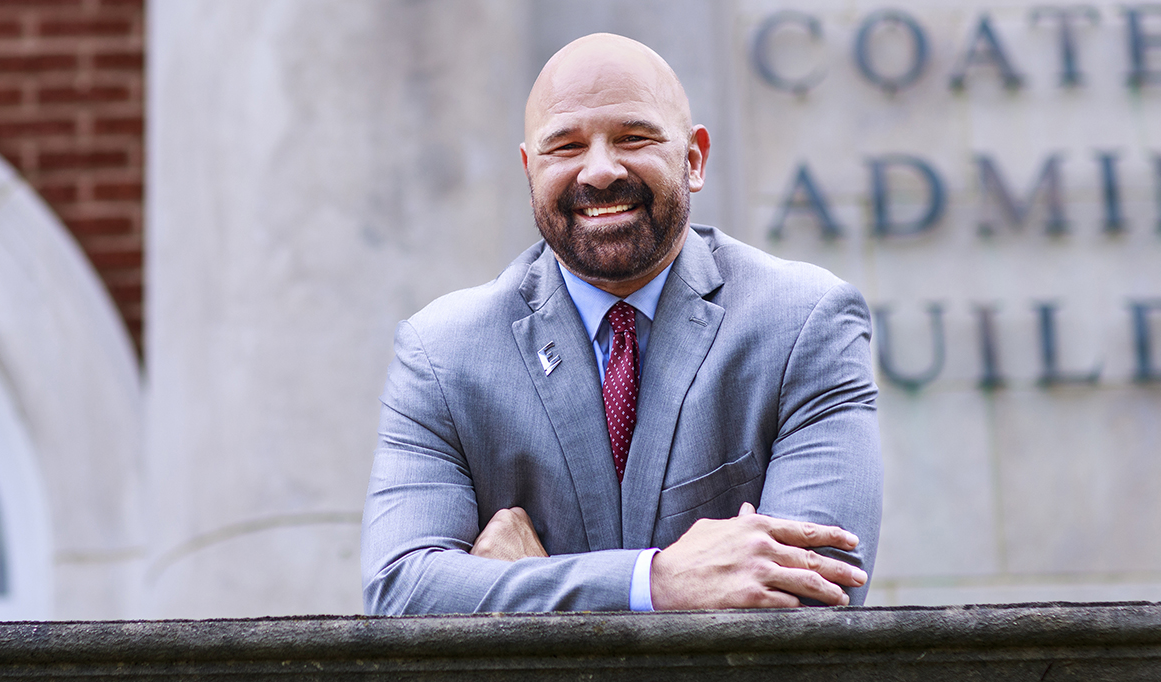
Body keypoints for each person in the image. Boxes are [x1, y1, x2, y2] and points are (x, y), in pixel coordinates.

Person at [361, 33, 882, 614]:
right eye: (566, 146)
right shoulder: (441, 355)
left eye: (633, 138)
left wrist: (527, 587)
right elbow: (402, 594)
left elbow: (814, 595)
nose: (602, 170)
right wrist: (654, 582)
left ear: (693, 159)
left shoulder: (806, 323)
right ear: (530, 169)